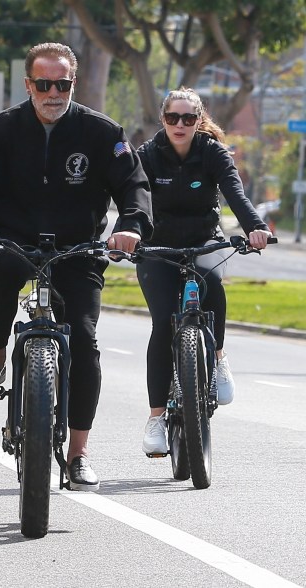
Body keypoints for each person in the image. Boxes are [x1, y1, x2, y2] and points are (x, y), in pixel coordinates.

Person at [0, 42, 153, 490]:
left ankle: (78, 454)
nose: (54, 93)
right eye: (45, 84)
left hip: (77, 249)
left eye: (63, 84)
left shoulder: (101, 132)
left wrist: (132, 227)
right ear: (29, 85)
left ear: (73, 83)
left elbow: (133, 186)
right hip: (13, 240)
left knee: (83, 339)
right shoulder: (0, 130)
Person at [136, 87, 271, 456]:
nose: (180, 125)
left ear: (199, 120)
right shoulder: (147, 155)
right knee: (163, 323)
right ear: (162, 119)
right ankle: (155, 418)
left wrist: (255, 227)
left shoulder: (212, 153)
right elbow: (131, 197)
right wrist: (129, 234)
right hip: (157, 247)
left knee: (213, 284)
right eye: (172, 118)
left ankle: (219, 356)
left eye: (188, 118)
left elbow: (235, 193)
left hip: (202, 242)